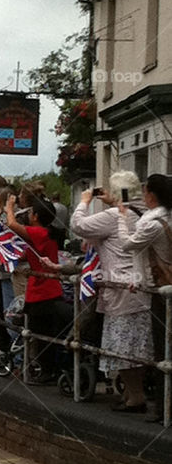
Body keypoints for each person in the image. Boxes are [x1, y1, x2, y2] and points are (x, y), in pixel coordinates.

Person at [70, 173, 151, 413]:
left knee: (123, 345)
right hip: (143, 286)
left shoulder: (113, 216)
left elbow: (78, 226)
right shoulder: (145, 212)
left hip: (121, 289)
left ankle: (135, 397)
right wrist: (114, 201)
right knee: (140, 346)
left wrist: (85, 201)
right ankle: (132, 393)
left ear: (117, 193)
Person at [118, 173, 172, 420]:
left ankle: (164, 410)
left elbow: (127, 245)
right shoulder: (166, 216)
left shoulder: (151, 224)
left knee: (163, 352)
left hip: (161, 290)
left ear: (151, 194)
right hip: (164, 286)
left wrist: (121, 218)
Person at [4, 192, 70, 381]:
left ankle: (46, 370)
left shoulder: (39, 232)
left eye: (32, 212)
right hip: (47, 290)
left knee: (42, 334)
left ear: (36, 217)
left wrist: (9, 207)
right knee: (43, 333)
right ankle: (45, 367)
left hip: (42, 292)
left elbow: (12, 225)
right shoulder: (45, 235)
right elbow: (29, 254)